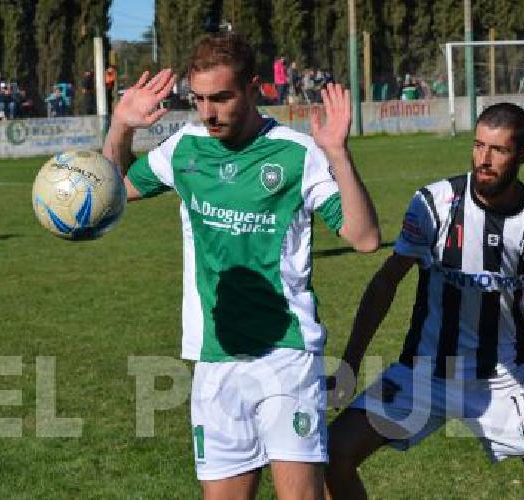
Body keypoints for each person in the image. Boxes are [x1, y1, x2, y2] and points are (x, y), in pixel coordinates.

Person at [101, 32, 381, 500]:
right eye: (200, 99)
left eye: (222, 98)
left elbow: (365, 237)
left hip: (286, 355)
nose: (209, 112)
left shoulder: (296, 153)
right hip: (213, 356)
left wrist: (337, 153)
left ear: (254, 88)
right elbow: (111, 194)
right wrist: (120, 128)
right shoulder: (184, 149)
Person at [324, 102, 524, 500]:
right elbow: (385, 283)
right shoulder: (436, 203)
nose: (484, 159)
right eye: (478, 146)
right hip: (424, 372)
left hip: (504, 380)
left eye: (498, 150)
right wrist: (350, 364)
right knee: (332, 455)